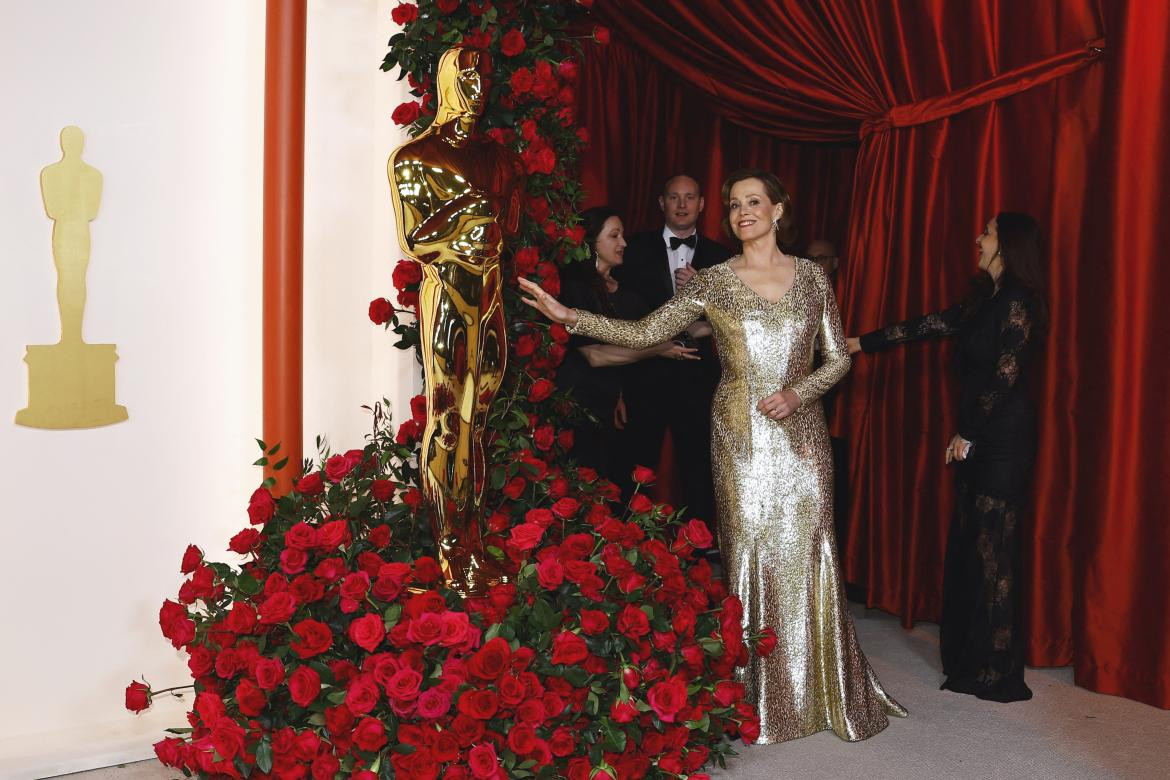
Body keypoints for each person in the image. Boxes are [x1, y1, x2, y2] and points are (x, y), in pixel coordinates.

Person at [521, 169, 906, 743]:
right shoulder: (713, 282)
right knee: (749, 551)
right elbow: (645, 330)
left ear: (779, 210)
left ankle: (824, 688)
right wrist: (567, 316)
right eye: (733, 204)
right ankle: (759, 698)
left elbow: (838, 358)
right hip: (740, 433)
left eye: (753, 202)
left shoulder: (811, 278)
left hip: (802, 436)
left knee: (810, 550)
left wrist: (800, 392)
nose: (741, 211)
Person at [846, 212, 1045, 703]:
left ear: (1007, 245)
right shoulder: (984, 299)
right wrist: (862, 343)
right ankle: (973, 659)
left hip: (1001, 440)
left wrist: (968, 434)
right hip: (978, 436)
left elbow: (1006, 376)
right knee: (971, 548)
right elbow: (928, 325)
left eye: (988, 233)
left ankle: (999, 670)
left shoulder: (1020, 301)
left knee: (994, 551)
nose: (978, 238)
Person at [387, 46, 524, 595]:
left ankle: (472, 542)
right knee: (446, 419)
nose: (477, 87)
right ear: (445, 80)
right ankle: (449, 551)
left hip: (489, 295)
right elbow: (415, 240)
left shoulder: (500, 159)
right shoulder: (414, 157)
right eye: (466, 75)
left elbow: (507, 228)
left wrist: (482, 218)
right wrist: (468, 209)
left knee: (479, 420)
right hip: (446, 295)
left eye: (484, 76)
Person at [613, 174, 732, 535]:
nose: (682, 204)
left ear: (702, 204)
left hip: (699, 376)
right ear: (661, 203)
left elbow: (739, 319)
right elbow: (618, 315)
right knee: (637, 457)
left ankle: (699, 544)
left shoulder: (724, 258)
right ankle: (627, 538)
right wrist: (618, 387)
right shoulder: (631, 249)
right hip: (644, 372)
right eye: (674, 197)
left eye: (690, 197)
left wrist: (704, 297)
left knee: (699, 461)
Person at [556, 206, 704, 486]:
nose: (624, 242)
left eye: (623, 235)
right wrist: (659, 349)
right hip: (577, 406)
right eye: (614, 236)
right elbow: (595, 355)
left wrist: (719, 317)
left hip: (609, 405)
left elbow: (666, 329)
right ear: (592, 243)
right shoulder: (575, 288)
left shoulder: (627, 293)